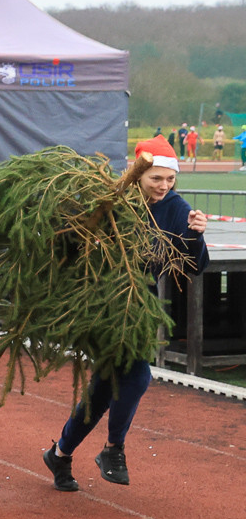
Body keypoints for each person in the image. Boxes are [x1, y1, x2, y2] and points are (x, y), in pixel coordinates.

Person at [43, 135, 208, 491]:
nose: (164, 186)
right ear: (138, 175)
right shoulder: (114, 200)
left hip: (139, 309)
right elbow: (75, 244)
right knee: (137, 377)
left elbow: (194, 266)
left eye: (170, 178)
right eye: (156, 179)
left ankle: (60, 453)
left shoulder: (177, 207)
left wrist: (195, 235)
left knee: (104, 390)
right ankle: (113, 448)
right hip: (100, 305)